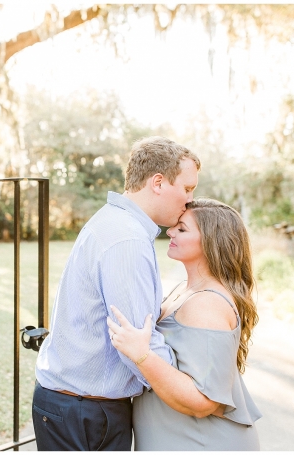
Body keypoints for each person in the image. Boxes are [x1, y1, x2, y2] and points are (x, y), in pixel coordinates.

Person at [32, 137, 201, 450]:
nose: (190, 200)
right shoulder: (128, 240)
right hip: (87, 414)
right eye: (188, 189)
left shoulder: (115, 223)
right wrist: (190, 386)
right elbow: (137, 343)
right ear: (159, 182)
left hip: (74, 408)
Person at [107, 197, 262, 450]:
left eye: (182, 229)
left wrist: (142, 355)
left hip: (202, 443)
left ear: (212, 241)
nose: (170, 231)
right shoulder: (185, 289)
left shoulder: (207, 304)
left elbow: (203, 401)